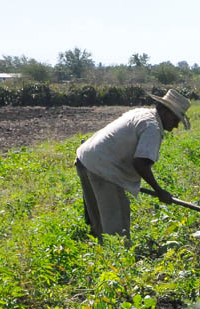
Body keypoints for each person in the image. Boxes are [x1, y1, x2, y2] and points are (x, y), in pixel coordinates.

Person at [75, 89, 191, 242]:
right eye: (176, 119)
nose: (176, 125)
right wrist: (159, 191)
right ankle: (118, 262)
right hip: (103, 170)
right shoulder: (153, 128)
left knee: (100, 223)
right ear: (165, 111)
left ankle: (101, 257)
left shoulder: (141, 113)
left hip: (85, 159)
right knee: (117, 227)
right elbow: (140, 164)